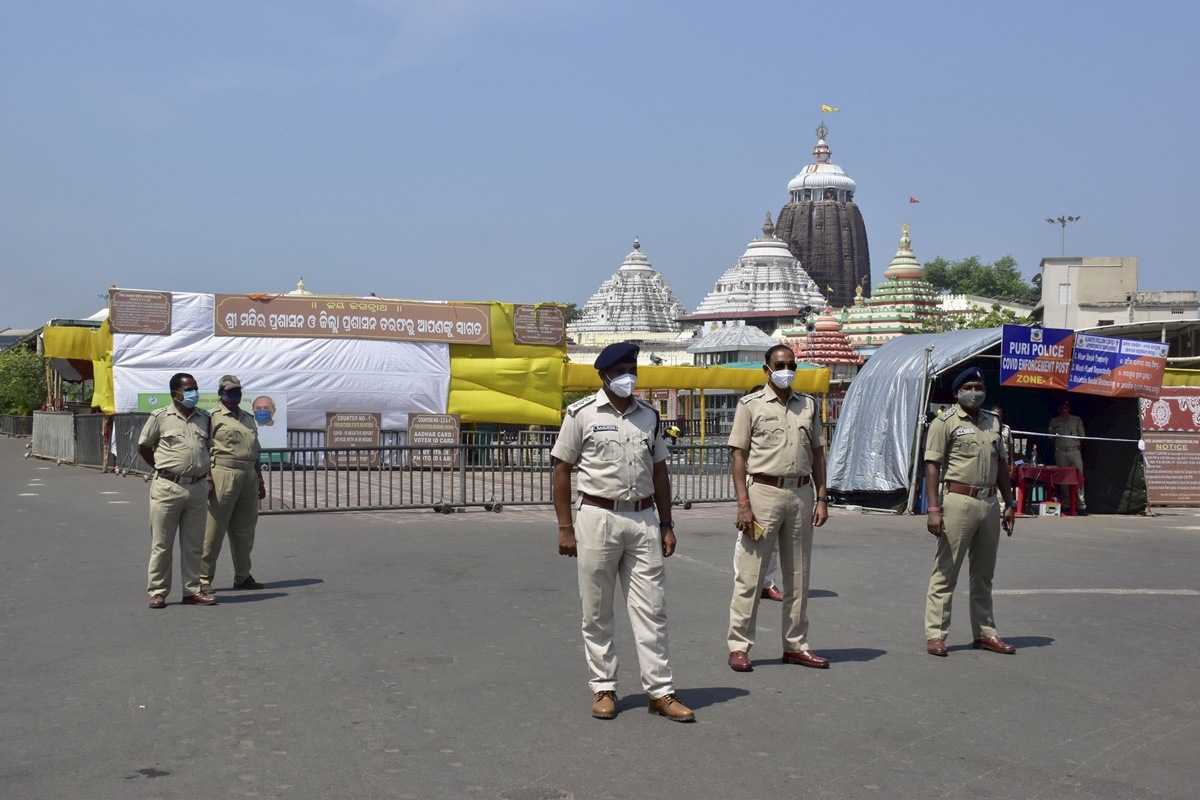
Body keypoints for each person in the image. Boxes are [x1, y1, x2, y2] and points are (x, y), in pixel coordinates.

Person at [551, 341, 694, 723]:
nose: (628, 376)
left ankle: (660, 692)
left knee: (652, 608)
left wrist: (667, 523)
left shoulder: (649, 415)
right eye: (621, 370)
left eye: (633, 368)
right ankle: (604, 687)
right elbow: (562, 469)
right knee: (597, 609)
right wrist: (566, 528)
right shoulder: (581, 413)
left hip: (643, 518)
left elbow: (660, 471)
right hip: (597, 517)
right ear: (604, 375)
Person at [727, 344, 831, 673]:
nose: (785, 370)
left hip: (800, 493)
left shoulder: (808, 406)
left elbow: (817, 453)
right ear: (766, 370)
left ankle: (796, 645)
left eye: (790, 365)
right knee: (751, 574)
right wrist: (743, 503)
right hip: (763, 494)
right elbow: (738, 456)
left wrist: (823, 496)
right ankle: (739, 645)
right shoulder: (750, 405)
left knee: (798, 576)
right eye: (779, 365)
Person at [923, 367, 1018, 657]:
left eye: (979, 386)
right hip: (958, 500)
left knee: (984, 574)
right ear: (957, 392)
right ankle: (936, 634)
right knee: (946, 570)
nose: (975, 392)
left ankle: (985, 632)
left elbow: (1001, 464)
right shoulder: (945, 422)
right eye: (969, 387)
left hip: (988, 502)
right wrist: (933, 509)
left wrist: (1010, 503)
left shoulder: (993, 422)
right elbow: (932, 466)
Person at [138, 373, 217, 608]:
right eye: (189, 389)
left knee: (194, 544)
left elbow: (209, 449)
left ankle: (192, 590)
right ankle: (158, 591)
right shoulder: (160, 417)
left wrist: (208, 477)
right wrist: (162, 469)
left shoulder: (204, 418)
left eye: (195, 388)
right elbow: (143, 446)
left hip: (197, 487)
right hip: (168, 487)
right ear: (176, 394)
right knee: (162, 543)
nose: (194, 393)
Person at [201, 375, 267, 593]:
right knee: (214, 529)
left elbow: (255, 451)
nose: (235, 394)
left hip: (248, 473)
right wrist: (208, 478)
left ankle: (242, 576)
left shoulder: (248, 418)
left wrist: (259, 479)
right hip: (223, 472)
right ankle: (203, 579)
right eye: (230, 391)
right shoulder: (212, 417)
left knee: (245, 530)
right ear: (221, 393)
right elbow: (203, 450)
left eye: (238, 390)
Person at [1048, 400, 1086, 513]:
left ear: (1069, 408)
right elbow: (1050, 437)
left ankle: (1081, 505)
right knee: (1063, 478)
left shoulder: (1076, 420)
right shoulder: (1054, 421)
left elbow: (1082, 436)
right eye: (1061, 407)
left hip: (1074, 451)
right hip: (1060, 452)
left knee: (1079, 477)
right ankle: (1066, 504)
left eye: (1066, 407)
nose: (1064, 410)